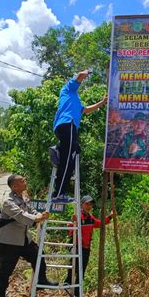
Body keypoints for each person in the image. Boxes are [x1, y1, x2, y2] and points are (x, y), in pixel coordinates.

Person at [0, 175, 56, 297]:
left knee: (38, 255)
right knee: (5, 271)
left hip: (23, 239)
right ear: (14, 186)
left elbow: (31, 210)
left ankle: (41, 280)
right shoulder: (8, 201)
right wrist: (37, 218)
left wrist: (39, 214)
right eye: (21, 181)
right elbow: (21, 216)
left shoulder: (24, 196)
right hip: (9, 241)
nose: (25, 182)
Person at [53, 70, 107, 201]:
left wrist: (103, 102)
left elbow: (87, 110)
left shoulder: (75, 100)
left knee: (74, 153)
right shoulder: (68, 89)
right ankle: (59, 193)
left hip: (67, 127)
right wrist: (88, 71)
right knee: (66, 160)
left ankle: (58, 151)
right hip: (67, 124)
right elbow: (80, 76)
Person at [65, 195, 113, 297]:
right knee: (75, 265)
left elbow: (100, 223)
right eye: (87, 204)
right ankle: (68, 283)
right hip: (76, 246)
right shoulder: (78, 216)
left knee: (81, 269)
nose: (89, 206)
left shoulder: (90, 218)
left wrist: (110, 217)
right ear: (82, 204)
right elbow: (69, 233)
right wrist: (72, 222)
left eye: (90, 204)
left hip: (86, 248)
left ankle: (76, 291)